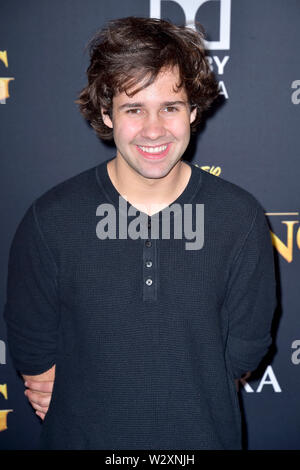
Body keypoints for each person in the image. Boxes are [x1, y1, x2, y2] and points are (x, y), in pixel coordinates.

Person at [4, 17, 276, 450]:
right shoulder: (51, 219)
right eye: (134, 109)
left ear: (192, 112)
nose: (154, 130)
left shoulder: (238, 218)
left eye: (169, 107)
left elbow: (244, 349)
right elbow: (32, 347)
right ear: (107, 114)